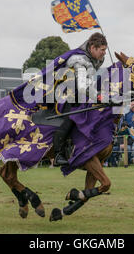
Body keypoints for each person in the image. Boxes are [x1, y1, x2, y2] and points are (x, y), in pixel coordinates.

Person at [52, 32, 108, 166]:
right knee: (71, 117)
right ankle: (58, 154)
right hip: (65, 93)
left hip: (80, 93)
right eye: (102, 50)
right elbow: (83, 86)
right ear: (92, 47)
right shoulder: (79, 60)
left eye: (105, 50)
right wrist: (99, 97)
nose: (104, 53)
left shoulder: (97, 60)